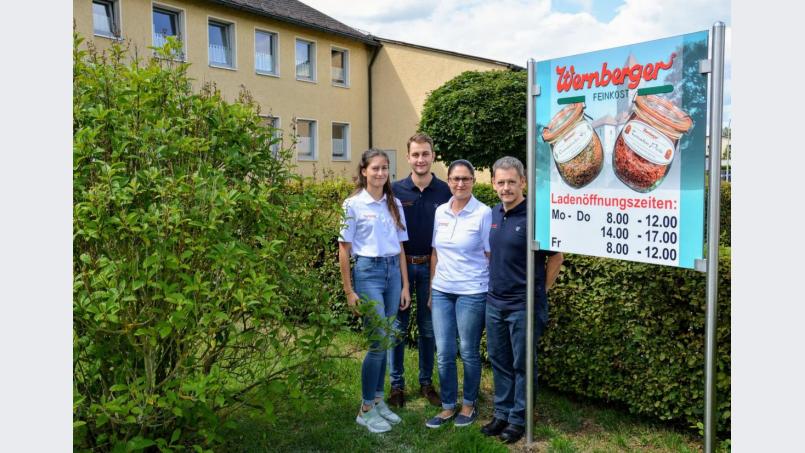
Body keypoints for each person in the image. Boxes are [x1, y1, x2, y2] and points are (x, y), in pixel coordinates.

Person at [480, 156, 564, 443]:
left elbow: (557, 258)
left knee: (523, 365)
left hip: (523, 307)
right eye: (501, 182)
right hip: (495, 303)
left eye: (512, 182)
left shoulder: (536, 217)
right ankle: (501, 413)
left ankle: (519, 419)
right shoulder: (493, 214)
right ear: (493, 184)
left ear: (523, 182)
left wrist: (541, 291)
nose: (506, 188)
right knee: (500, 361)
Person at [338, 149, 412, 434]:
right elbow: (344, 249)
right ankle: (365, 408)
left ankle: (379, 401)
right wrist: (349, 290)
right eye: (375, 168)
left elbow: (401, 246)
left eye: (385, 168)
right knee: (377, 341)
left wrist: (405, 284)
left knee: (388, 338)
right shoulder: (353, 204)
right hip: (368, 273)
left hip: (393, 272)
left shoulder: (394, 203)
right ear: (364, 171)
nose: (380, 173)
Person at [424, 159, 492, 429]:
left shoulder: (483, 213)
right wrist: (431, 289)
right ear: (449, 181)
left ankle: (469, 404)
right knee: (444, 351)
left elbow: (490, 255)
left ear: (473, 182)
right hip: (442, 290)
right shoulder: (440, 211)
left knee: (468, 351)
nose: (460, 183)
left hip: (472, 292)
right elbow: (435, 253)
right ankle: (448, 406)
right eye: (455, 179)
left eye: (465, 179)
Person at [388, 133, 452, 408]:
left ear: (433, 155)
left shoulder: (446, 191)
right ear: (408, 157)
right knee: (397, 329)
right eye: (415, 154)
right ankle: (396, 385)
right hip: (402, 266)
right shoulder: (395, 191)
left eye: (425, 153)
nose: (420, 159)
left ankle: (426, 383)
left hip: (432, 266)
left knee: (428, 329)